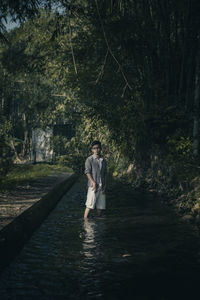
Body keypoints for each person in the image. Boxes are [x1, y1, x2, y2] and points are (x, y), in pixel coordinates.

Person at [84, 140, 107, 219]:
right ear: (92, 150)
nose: (96, 150)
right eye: (94, 148)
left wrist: (105, 185)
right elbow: (87, 172)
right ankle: (85, 222)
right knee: (89, 205)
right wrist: (93, 182)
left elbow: (104, 174)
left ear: (100, 149)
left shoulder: (103, 160)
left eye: (98, 148)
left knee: (100, 207)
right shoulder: (89, 160)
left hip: (102, 186)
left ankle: (99, 222)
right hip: (93, 186)